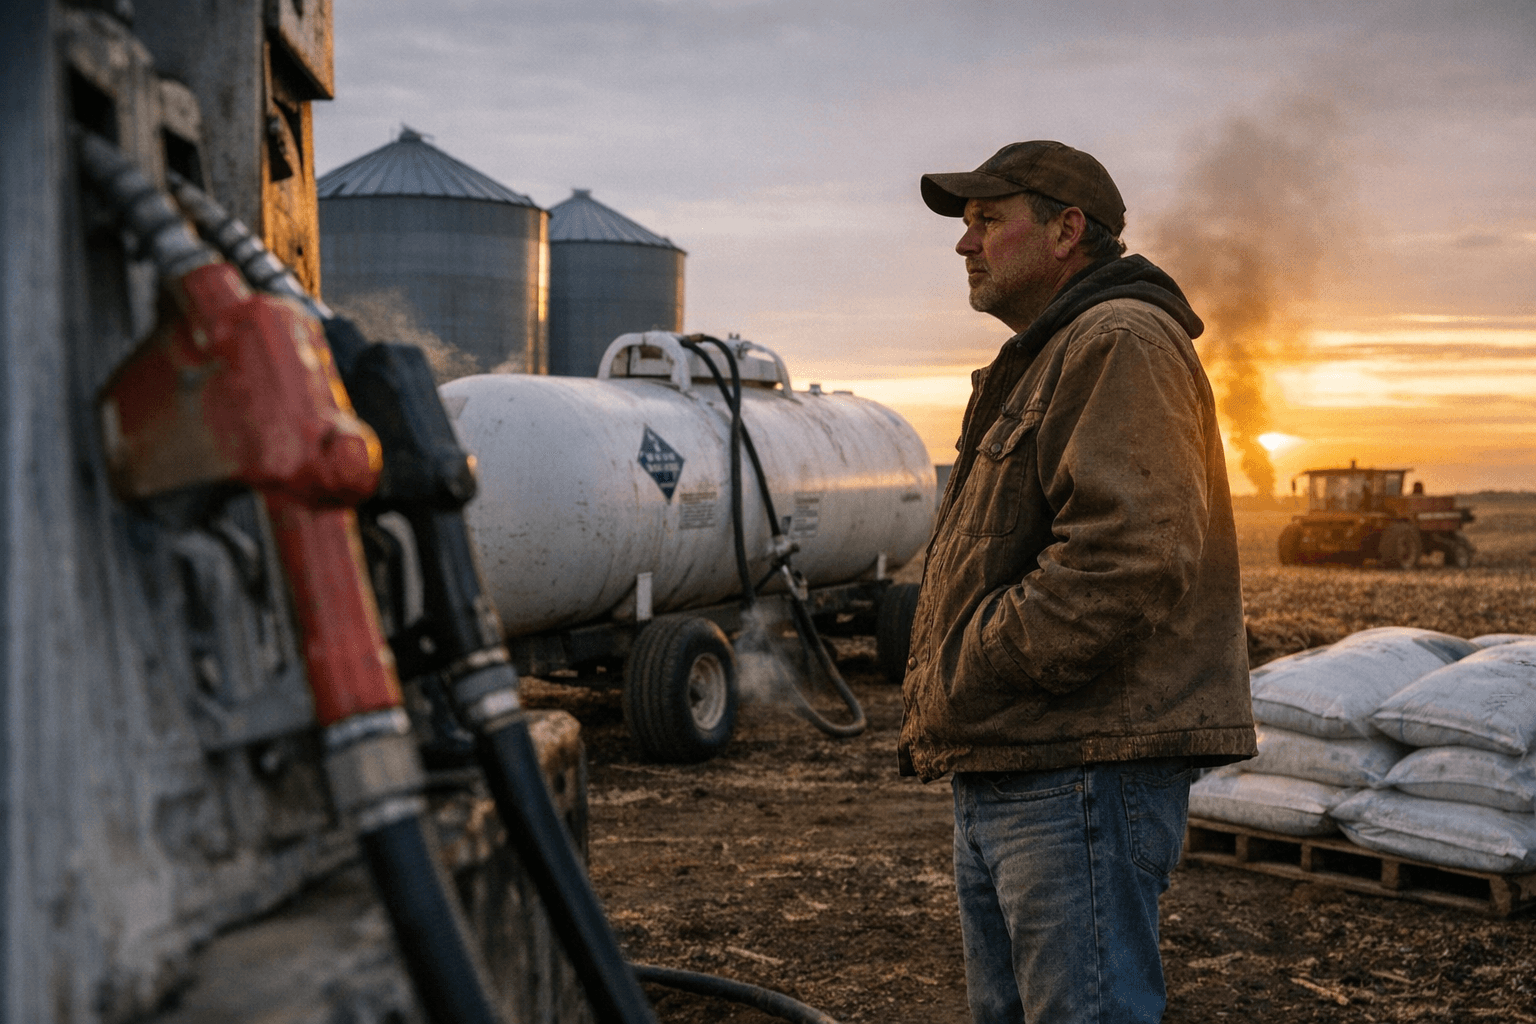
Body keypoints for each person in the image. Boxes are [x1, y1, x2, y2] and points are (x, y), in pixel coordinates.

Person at [900, 141, 1257, 1024]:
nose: (965, 243)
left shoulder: (1118, 341)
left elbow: (1126, 558)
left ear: (1067, 230)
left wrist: (979, 665)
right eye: (966, 224)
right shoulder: (1051, 353)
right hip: (1021, 760)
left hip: (1075, 773)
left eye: (989, 220)